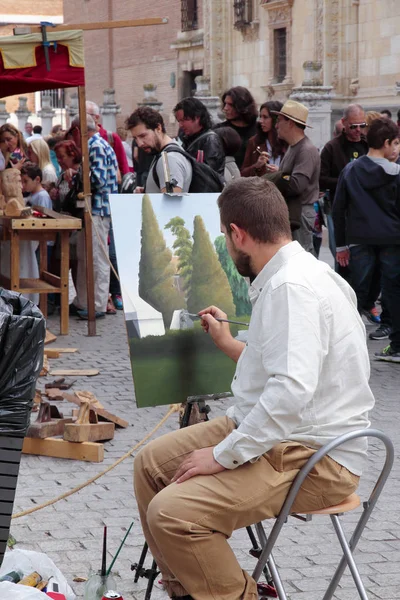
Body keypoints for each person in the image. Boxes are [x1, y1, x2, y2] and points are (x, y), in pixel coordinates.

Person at [134, 176, 374, 600]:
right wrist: (229, 344)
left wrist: (223, 456)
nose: (227, 247)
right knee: (152, 464)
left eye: (226, 238)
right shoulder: (295, 274)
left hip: (316, 454)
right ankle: (191, 590)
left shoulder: (291, 287)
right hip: (282, 431)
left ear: (237, 233)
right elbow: (282, 372)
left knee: (173, 513)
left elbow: (291, 393)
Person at [332, 118, 400, 363]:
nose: (398, 148)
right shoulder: (396, 173)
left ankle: (341, 346)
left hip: (359, 239)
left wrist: (341, 244)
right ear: (386, 143)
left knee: (354, 293)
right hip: (393, 238)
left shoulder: (351, 170)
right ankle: (397, 345)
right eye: (396, 142)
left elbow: (339, 209)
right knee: (393, 292)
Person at [69, 114, 119, 320]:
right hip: (95, 208)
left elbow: (96, 180)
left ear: (78, 131)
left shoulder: (95, 145)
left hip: (98, 208)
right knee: (86, 256)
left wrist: (77, 175)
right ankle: (84, 300)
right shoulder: (98, 143)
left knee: (97, 257)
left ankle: (98, 303)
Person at [320, 104, 368, 274]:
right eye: (353, 126)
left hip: (366, 212)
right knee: (342, 258)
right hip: (340, 209)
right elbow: (321, 180)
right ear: (344, 123)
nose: (358, 131)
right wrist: (346, 180)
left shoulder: (368, 145)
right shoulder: (331, 148)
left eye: (362, 126)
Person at [267, 100, 320, 253]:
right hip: (294, 213)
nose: (276, 126)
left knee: (302, 261)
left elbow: (297, 185)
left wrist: (276, 176)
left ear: (290, 123)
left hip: (300, 214)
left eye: (279, 121)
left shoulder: (306, 150)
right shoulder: (294, 147)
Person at [126, 107, 192, 193]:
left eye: (143, 136)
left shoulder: (169, 159)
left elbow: (171, 203)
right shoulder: (166, 154)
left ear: (158, 128)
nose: (139, 144)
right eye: (135, 138)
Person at [173, 97, 225, 176]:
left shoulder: (210, 140)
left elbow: (207, 175)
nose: (181, 125)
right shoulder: (187, 139)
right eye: (179, 121)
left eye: (184, 120)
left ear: (197, 117)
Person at [214, 86, 258, 169]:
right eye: (225, 104)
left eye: (230, 105)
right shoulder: (219, 131)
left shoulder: (259, 130)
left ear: (242, 106)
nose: (225, 108)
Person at [241, 101, 286, 177]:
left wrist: (280, 172)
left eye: (265, 117)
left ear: (276, 119)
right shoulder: (254, 142)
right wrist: (257, 166)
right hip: (261, 187)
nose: (260, 121)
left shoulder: (288, 143)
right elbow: (242, 174)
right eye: (260, 117)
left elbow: (295, 175)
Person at [86, 101, 129, 178]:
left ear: (97, 117)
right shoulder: (78, 138)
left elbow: (124, 166)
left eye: (86, 115)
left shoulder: (111, 137)